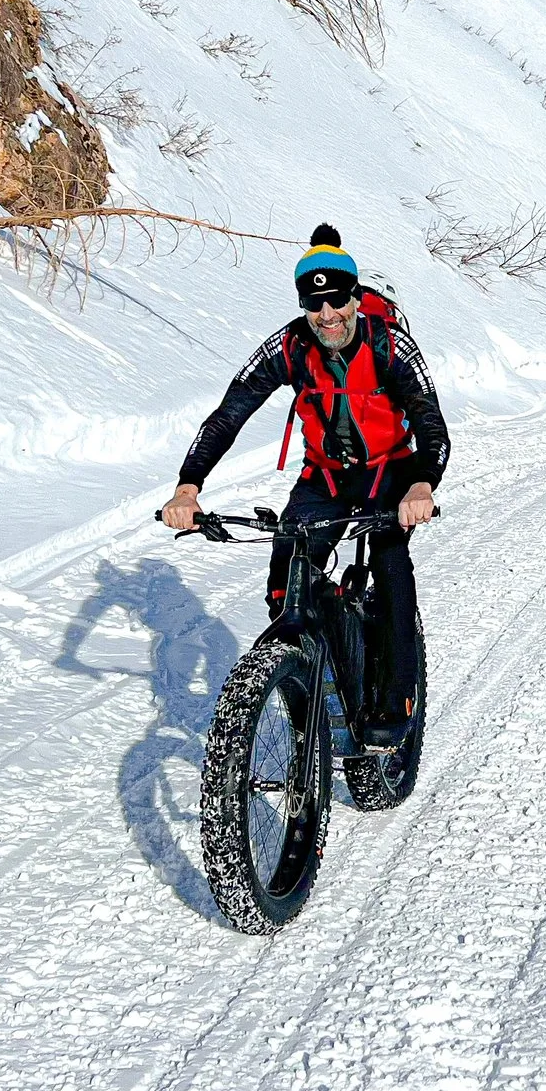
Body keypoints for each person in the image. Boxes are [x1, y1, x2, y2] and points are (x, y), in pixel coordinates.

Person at [161, 225, 449, 745]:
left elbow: (431, 423)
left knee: (388, 562)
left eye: (338, 299)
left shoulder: (389, 344)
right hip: (325, 474)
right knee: (285, 582)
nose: (328, 314)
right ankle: (303, 697)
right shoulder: (291, 344)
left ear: (355, 298)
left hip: (390, 471)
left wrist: (422, 485)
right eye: (314, 303)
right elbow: (229, 414)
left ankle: (396, 697)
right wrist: (188, 486)